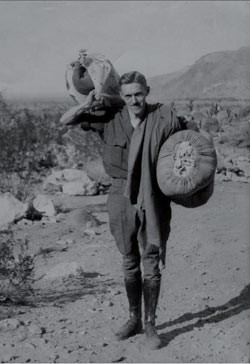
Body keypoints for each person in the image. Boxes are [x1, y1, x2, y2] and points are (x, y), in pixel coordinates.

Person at [69, 70, 185, 349]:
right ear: (121, 96)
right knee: (128, 259)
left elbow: (188, 144)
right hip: (120, 195)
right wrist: (88, 102)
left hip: (153, 194)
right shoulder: (109, 120)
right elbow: (68, 120)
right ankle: (133, 318)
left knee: (151, 260)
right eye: (129, 95)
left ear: (148, 91)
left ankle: (150, 324)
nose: (135, 100)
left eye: (139, 94)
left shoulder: (164, 117)